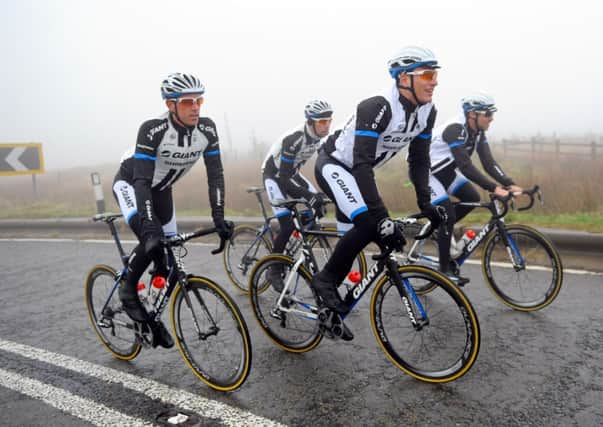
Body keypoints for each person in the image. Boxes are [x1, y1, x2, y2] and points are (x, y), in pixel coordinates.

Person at [312, 46, 447, 327]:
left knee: (380, 234)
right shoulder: (378, 106)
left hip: (360, 172)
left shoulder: (428, 112)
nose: (434, 81)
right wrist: (381, 214)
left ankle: (332, 314)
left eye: (435, 74)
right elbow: (361, 163)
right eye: (427, 74)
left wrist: (426, 203)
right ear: (403, 78)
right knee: (369, 224)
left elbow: (420, 159)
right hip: (336, 166)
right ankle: (324, 281)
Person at [112, 73, 234, 348]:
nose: (195, 107)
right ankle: (128, 290)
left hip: (163, 190)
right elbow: (142, 182)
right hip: (132, 185)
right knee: (149, 238)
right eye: (188, 101)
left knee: (168, 260)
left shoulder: (207, 130)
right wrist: (151, 229)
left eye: (199, 100)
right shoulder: (153, 130)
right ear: (170, 105)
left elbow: (215, 175)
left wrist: (218, 217)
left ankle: (149, 317)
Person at [429, 92, 523, 285]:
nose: (492, 118)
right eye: (488, 114)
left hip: (446, 172)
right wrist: (494, 188)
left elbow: (488, 162)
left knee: (470, 197)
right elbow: (465, 166)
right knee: (447, 214)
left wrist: (508, 182)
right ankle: (444, 269)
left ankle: (440, 228)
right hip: (426, 173)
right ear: (473, 114)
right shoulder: (455, 129)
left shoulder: (478, 132)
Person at [261, 100, 334, 291]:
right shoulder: (294, 139)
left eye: (329, 121)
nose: (326, 126)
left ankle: (283, 228)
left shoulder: (319, 138)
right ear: (310, 122)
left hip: (291, 174)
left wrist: (320, 195)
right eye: (322, 122)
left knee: (318, 208)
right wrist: (307, 197)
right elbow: (283, 179)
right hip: (274, 176)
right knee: (287, 225)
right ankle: (274, 270)